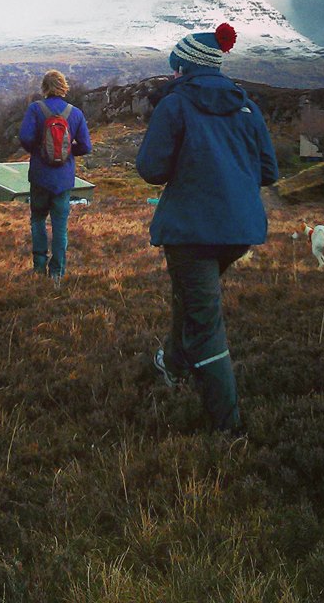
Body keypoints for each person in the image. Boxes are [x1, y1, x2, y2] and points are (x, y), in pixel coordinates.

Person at [135, 23, 279, 433]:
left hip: (191, 230)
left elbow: (151, 169)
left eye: (175, 68)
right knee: (193, 297)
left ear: (182, 67)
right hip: (240, 230)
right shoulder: (246, 106)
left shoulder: (175, 105)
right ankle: (174, 365)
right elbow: (268, 171)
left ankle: (228, 429)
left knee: (205, 322)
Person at [18, 70, 92, 282]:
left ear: (45, 87)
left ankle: (39, 267)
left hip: (40, 176)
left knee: (38, 220)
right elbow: (86, 146)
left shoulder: (35, 109)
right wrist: (68, 151)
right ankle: (57, 273)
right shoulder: (75, 113)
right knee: (60, 225)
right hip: (63, 179)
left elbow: (24, 137)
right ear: (63, 86)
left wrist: (39, 151)